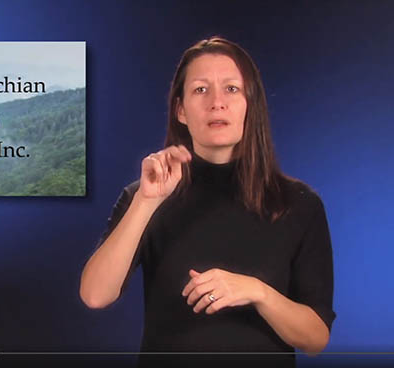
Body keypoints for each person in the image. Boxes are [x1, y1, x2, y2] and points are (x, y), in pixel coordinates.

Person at [80, 36, 336, 368]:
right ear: (181, 110)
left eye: (231, 89)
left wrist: (258, 292)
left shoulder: (300, 204)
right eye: (201, 90)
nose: (217, 102)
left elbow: (315, 339)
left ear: (250, 104)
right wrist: (145, 202)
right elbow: (95, 295)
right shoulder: (146, 195)